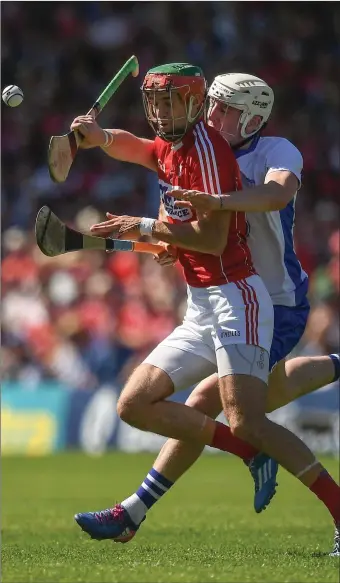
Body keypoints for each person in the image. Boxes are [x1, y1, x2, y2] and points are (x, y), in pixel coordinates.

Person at [70, 65, 340, 555]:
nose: (214, 115)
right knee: (245, 402)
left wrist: (202, 207)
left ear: (254, 119)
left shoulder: (274, 151)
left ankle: (135, 510)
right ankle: (135, 510)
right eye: (211, 104)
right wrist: (101, 137)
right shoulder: (189, 147)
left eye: (226, 109)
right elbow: (140, 148)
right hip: (211, 300)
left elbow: (277, 192)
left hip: (273, 300)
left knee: (226, 413)